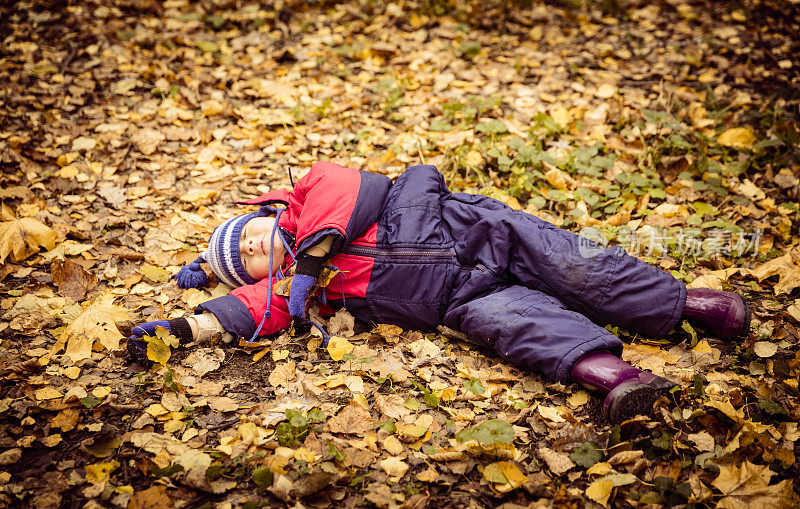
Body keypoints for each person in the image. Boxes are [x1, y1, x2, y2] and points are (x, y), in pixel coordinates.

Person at [128, 162, 751, 423]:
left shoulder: (312, 199)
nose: (258, 252)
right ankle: (615, 377)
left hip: (469, 229)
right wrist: (188, 327)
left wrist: (310, 259)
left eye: (251, 239)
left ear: (264, 216)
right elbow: (251, 309)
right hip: (452, 294)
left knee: (576, 266)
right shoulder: (301, 290)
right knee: (514, 325)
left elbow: (345, 188)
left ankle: (686, 306)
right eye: (247, 263)